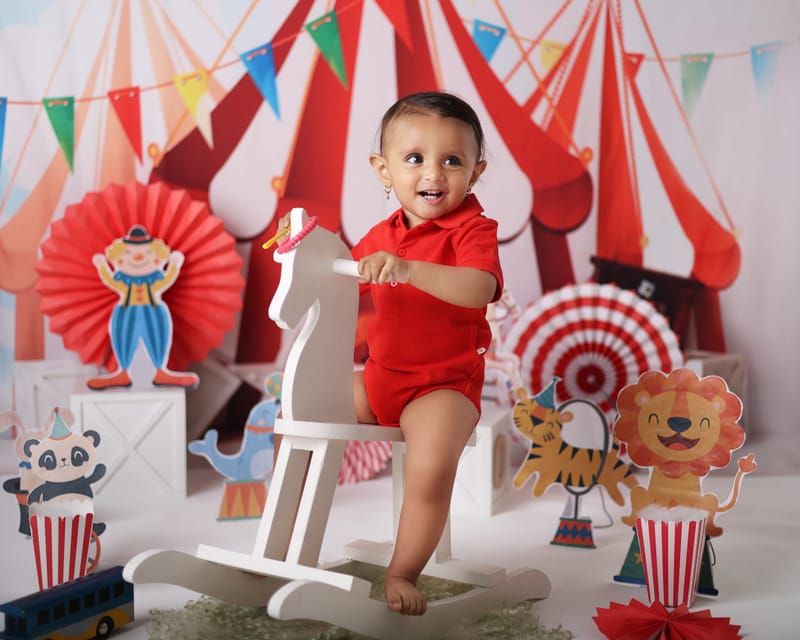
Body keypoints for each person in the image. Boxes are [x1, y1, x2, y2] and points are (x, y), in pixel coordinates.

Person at [278, 91, 503, 615]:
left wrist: (411, 269)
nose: (435, 172)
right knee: (305, 409)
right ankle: (285, 540)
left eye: (452, 160)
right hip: (380, 378)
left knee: (428, 470)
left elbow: (479, 288)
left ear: (475, 173)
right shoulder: (381, 236)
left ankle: (403, 571)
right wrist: (304, 262)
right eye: (415, 158)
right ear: (384, 170)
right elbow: (341, 287)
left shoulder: (473, 229)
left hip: (442, 387)